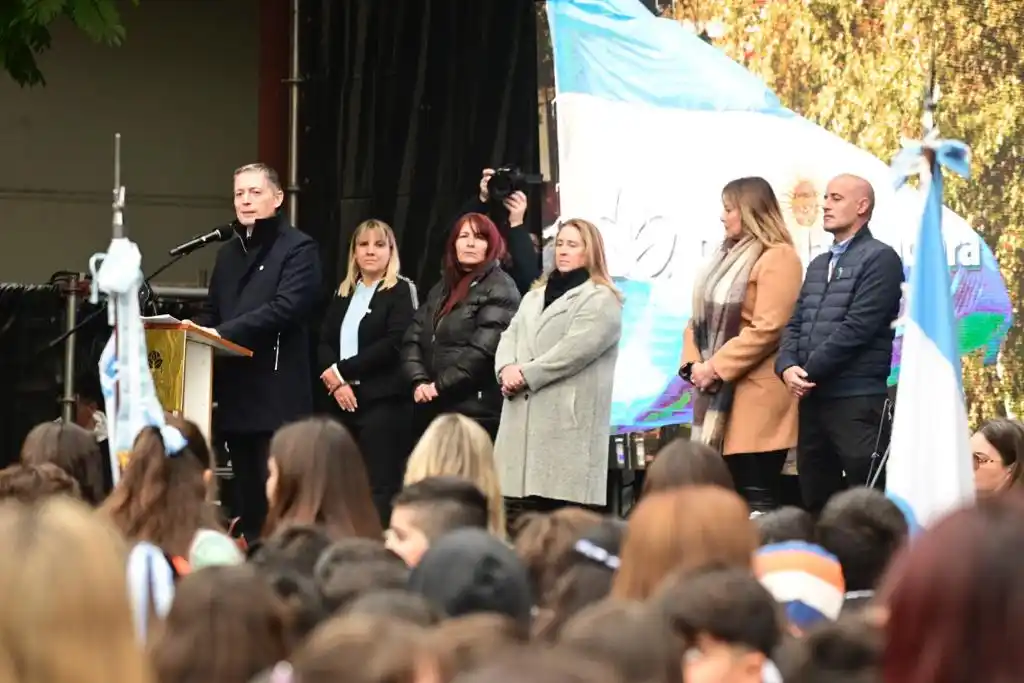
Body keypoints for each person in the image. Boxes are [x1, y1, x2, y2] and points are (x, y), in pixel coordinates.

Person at [190, 162, 322, 541]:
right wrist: (193, 330)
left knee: (275, 493)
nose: (245, 201)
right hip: (235, 391)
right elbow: (212, 309)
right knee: (246, 494)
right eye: (239, 194)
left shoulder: (299, 248)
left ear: (278, 198)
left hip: (275, 393)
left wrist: (220, 333)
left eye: (255, 192)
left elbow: (286, 307)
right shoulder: (228, 253)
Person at [775, 174, 904, 513]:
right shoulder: (819, 264)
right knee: (817, 500)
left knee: (867, 503)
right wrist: (786, 366)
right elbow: (796, 322)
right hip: (814, 402)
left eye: (835, 198)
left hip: (857, 402)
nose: (825, 205)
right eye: (826, 198)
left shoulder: (881, 259)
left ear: (862, 206)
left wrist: (806, 371)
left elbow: (857, 328)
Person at [680, 177, 803, 513]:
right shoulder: (722, 258)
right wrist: (691, 367)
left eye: (729, 208)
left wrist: (714, 368)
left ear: (751, 212)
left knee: (755, 500)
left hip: (755, 400)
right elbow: (696, 322)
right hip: (714, 393)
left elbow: (768, 328)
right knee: (721, 503)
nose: (723, 216)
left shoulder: (779, 258)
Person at [493, 218, 623, 509]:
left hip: (565, 432)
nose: (562, 251)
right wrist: (505, 370)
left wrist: (524, 374)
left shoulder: (601, 299)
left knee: (560, 528)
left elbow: (572, 352)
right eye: (559, 243)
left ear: (591, 252)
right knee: (517, 522)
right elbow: (509, 336)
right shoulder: (533, 295)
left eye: (572, 245)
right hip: (520, 424)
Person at [317, 219, 418, 525]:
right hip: (341, 399)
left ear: (391, 251)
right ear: (354, 252)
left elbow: (394, 344)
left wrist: (341, 371)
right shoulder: (345, 291)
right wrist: (336, 384)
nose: (370, 251)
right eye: (363, 244)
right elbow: (324, 341)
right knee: (338, 482)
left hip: (382, 401)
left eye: (379, 244)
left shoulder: (401, 290)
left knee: (379, 483)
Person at [400, 213, 521, 442]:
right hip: (433, 407)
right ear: (453, 243)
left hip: (475, 412)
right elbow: (412, 338)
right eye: (463, 236)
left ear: (491, 245)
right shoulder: (443, 287)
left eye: (479, 237)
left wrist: (437, 387)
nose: (470, 243)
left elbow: (482, 353)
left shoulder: (501, 287)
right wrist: (419, 381)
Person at [464, 168, 541, 294]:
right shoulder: (480, 219)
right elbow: (451, 239)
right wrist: (481, 200)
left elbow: (531, 282)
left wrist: (516, 224)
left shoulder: (529, 230)